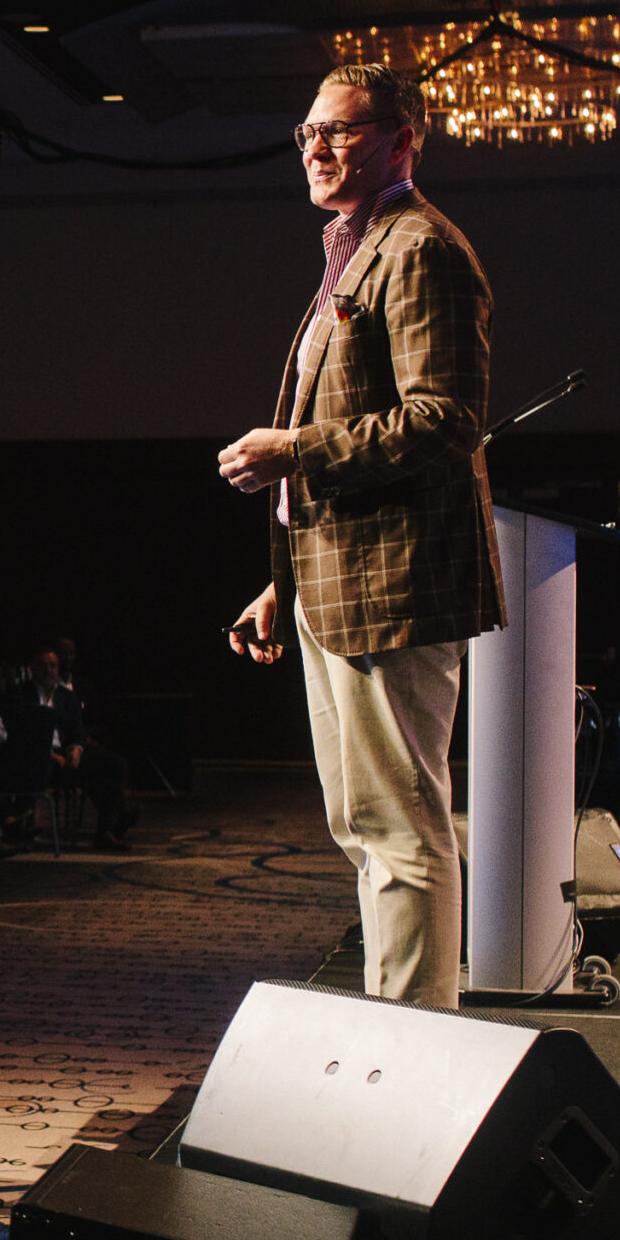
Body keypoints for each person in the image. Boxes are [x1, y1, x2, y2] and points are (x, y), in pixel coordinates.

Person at [220, 62, 504, 1009]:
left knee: (404, 826)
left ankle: (418, 1048)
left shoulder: (419, 247)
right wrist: (285, 580)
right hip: (337, 582)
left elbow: (445, 418)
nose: (316, 149)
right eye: (306, 134)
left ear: (401, 141)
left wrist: (295, 448)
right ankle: (399, 1030)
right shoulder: (355, 249)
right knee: (367, 826)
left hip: (398, 586)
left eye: (338, 132)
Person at [5, 647, 131, 849]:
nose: (49, 671)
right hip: (38, 755)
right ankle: (14, 820)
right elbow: (19, 733)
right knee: (38, 766)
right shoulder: (20, 695)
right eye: (43, 666)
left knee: (112, 764)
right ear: (32, 668)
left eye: (53, 666)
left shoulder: (67, 697)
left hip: (65, 754)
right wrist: (49, 754)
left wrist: (76, 749)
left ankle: (107, 830)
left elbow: (77, 731)